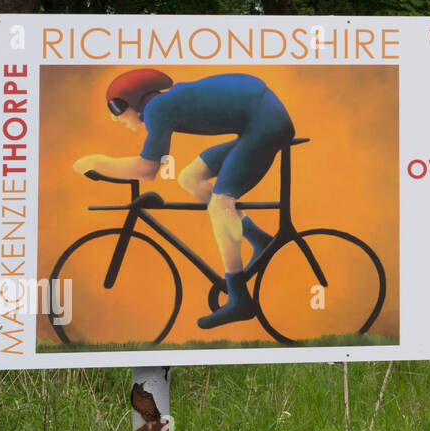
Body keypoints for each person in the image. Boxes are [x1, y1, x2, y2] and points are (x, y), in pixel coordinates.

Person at [72, 69, 295, 329]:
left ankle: (239, 298)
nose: (116, 117)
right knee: (190, 179)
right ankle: (258, 238)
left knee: (221, 203)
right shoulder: (163, 105)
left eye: (117, 108)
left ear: (132, 101)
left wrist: (96, 161)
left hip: (266, 125)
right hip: (259, 120)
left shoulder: (157, 108)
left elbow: (147, 169)